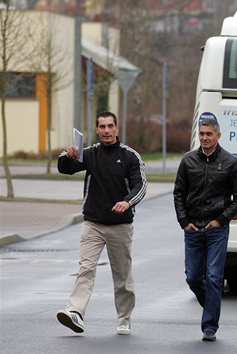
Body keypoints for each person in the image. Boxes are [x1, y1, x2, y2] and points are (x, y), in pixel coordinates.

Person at [56, 111, 147, 335]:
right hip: (93, 224)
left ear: (117, 128)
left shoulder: (130, 156)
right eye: (102, 127)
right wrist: (67, 156)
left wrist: (127, 202)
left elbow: (141, 186)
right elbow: (65, 168)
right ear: (96, 130)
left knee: (122, 276)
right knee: (86, 268)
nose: (106, 131)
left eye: (110, 126)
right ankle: (75, 312)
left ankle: (124, 318)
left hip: (120, 226)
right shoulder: (90, 154)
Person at [173, 116, 237, 341]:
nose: (204, 138)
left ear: (218, 136)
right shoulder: (188, 161)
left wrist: (221, 219)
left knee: (214, 277)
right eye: (201, 134)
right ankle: (212, 306)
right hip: (193, 228)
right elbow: (178, 194)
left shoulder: (231, 162)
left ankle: (210, 326)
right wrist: (184, 222)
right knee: (194, 278)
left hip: (216, 229)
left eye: (209, 134)